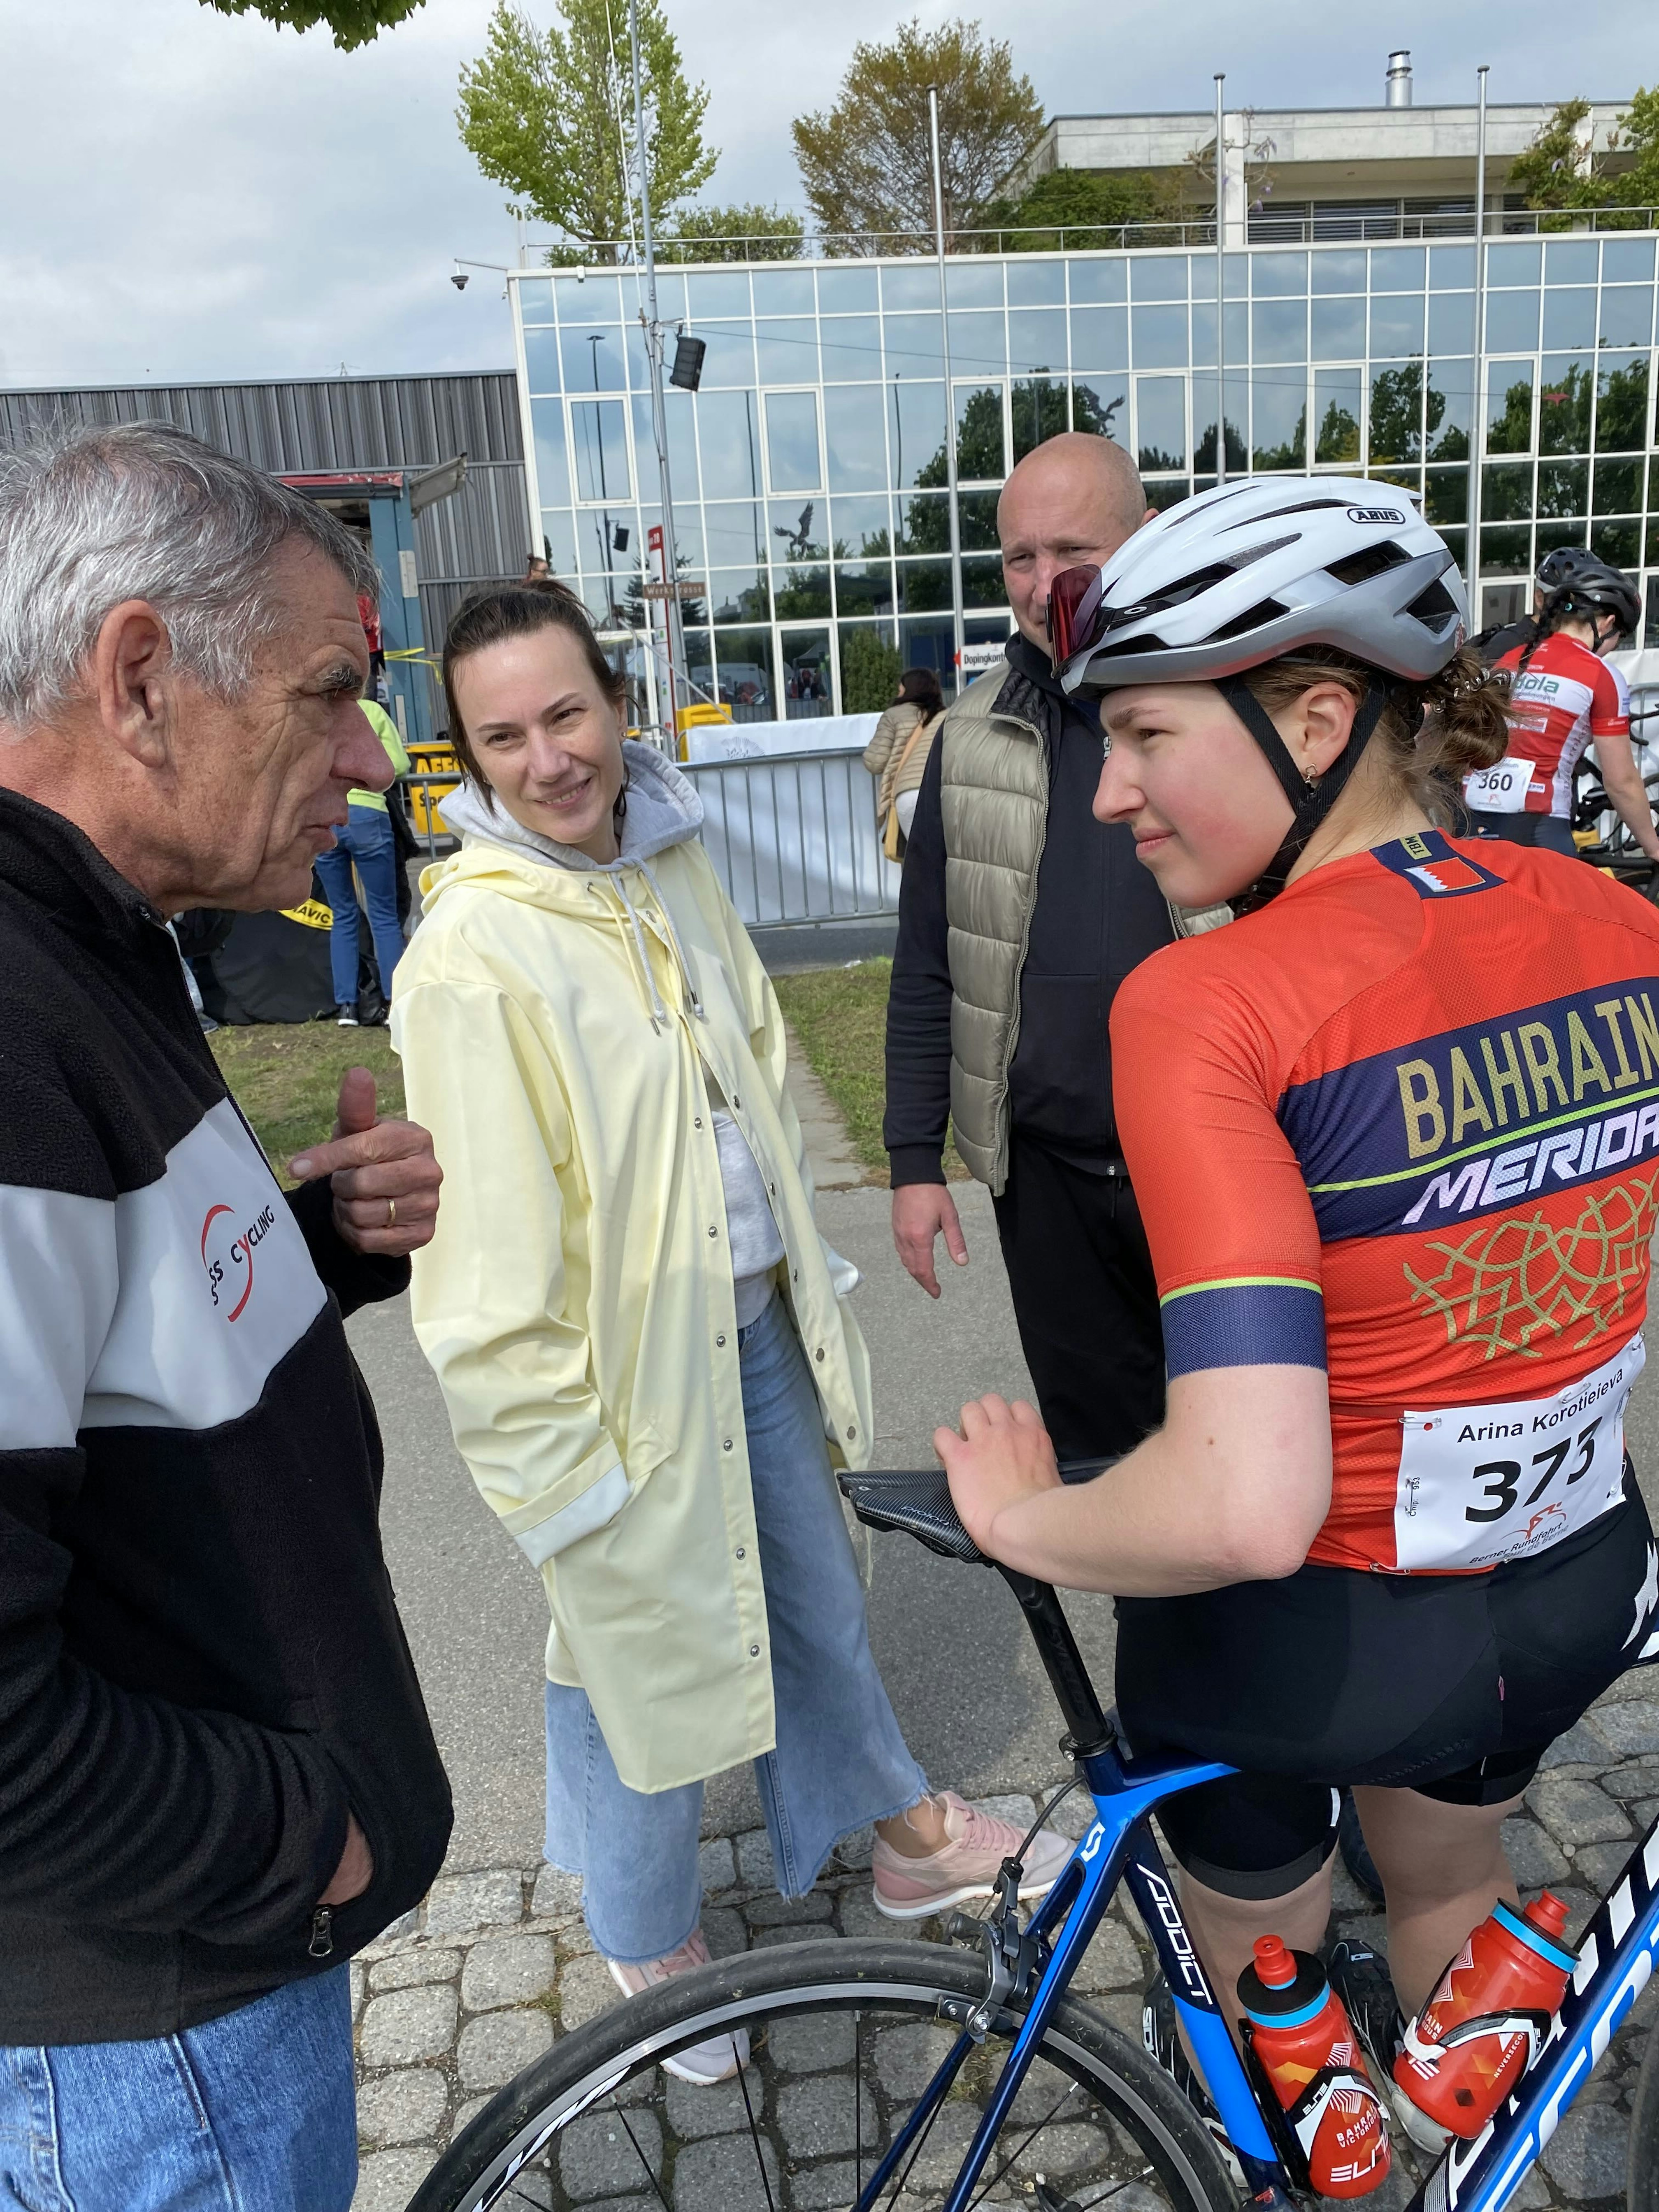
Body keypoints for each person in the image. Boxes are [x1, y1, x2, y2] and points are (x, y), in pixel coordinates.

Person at [936, 476, 1659, 2145]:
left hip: (1311, 1639)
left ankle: (1299, 2152)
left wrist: (1023, 1518)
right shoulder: (1617, 920)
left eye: (1145, 734)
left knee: (1261, 1945)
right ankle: (1453, 2109)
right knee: (1454, 1878)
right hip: (1560, 1596)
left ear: (1320, 714)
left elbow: (1243, 1505)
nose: (1108, 793)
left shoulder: (1207, 1001)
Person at [389, 584, 1071, 2086]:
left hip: (751, 1321)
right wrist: (562, 1486)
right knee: (622, 1642)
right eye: (503, 735)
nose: (548, 757)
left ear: (614, 700)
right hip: (618, 1374)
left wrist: (803, 1269)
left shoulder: (668, 853)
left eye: (566, 712)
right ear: (470, 759)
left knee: (811, 1581)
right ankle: (639, 1920)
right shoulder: (472, 956)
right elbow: (482, 1273)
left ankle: (897, 1833)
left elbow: (752, 1056)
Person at [0, 423, 451, 2210]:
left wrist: (311, 1238)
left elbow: (96, 1342)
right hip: (154, 2027)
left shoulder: (98, 942)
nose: (367, 750)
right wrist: (300, 1838)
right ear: (138, 679)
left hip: (192, 1986)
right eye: (329, 690)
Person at [884, 430, 1200, 1465]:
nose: (1044, 582)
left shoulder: (1222, 716)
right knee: (1107, 1462)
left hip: (1212, 1159)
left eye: (1075, 551)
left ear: (1147, 541)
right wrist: (911, 1161)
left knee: (1252, 1448)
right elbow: (928, 961)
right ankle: (1160, 1630)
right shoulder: (966, 744)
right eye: (1021, 557)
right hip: (1050, 1184)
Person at [1467, 562, 1654, 864]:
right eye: (1619, 636)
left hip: (1471, 820)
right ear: (1606, 624)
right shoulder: (1601, 675)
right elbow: (1621, 782)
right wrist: (1653, 846)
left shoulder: (1511, 659)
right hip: (1539, 827)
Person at [314, 693, 411, 1024]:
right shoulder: (371, 712)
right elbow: (398, 764)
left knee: (342, 914)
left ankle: (347, 1006)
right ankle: (393, 1001)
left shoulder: (319, 714)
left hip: (328, 817)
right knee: (384, 914)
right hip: (369, 816)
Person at [1471, 542, 1609, 665]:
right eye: (1565, 601)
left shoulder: (1580, 648)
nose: (1577, 612)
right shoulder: (1508, 644)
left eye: (1588, 604)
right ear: (1539, 598)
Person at [862, 666, 945, 856]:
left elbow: (874, 762)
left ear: (909, 689)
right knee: (943, 860)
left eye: (901, 688)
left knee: (922, 861)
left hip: (909, 792)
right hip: (942, 790)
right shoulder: (947, 716)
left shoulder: (894, 715)